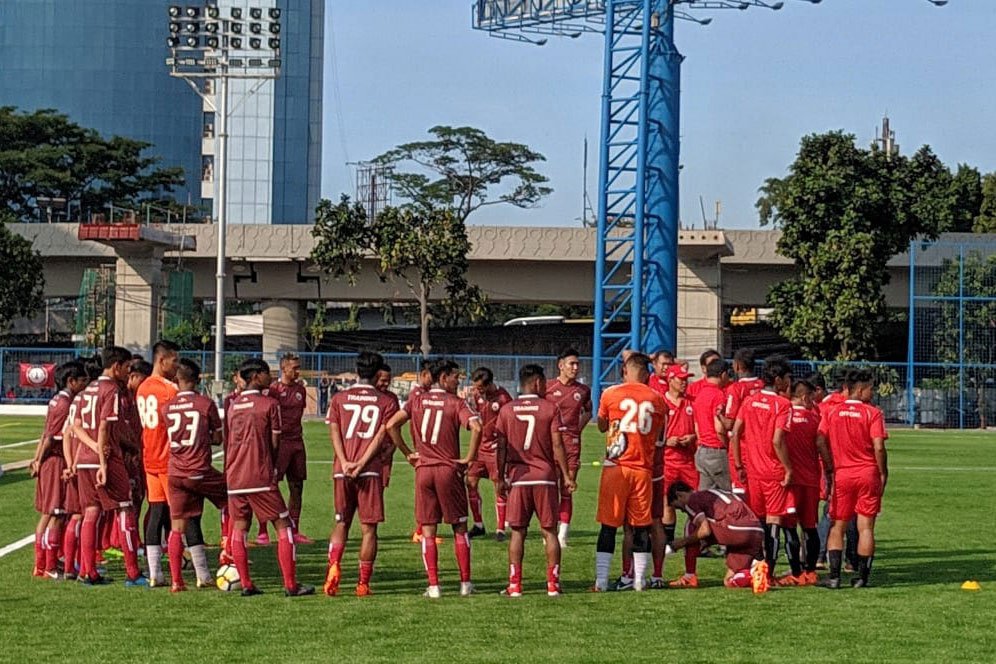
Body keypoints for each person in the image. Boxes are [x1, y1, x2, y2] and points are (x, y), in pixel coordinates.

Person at [386, 359, 482, 598]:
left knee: (428, 530)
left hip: (424, 470)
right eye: (455, 377)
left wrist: (408, 453)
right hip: (448, 469)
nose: (458, 381)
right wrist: (469, 457)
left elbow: (390, 425)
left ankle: (433, 586)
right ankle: (465, 583)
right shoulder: (455, 402)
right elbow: (477, 427)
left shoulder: (416, 400)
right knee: (459, 527)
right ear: (443, 378)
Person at [225, 358, 314, 597]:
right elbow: (275, 442)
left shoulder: (233, 405)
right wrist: (271, 466)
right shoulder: (269, 404)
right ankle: (290, 585)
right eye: (266, 374)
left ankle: (246, 584)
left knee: (240, 528)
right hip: (259, 475)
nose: (270, 378)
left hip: (234, 477)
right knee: (283, 526)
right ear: (256, 376)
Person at [324, 352, 407, 597]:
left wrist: (346, 461)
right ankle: (362, 584)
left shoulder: (339, 398)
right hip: (369, 470)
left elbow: (335, 433)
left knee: (341, 522)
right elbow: (381, 436)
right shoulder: (386, 402)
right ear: (377, 372)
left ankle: (334, 566)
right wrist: (360, 464)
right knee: (368, 529)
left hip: (342, 469)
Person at [495, 364, 575, 597]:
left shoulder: (507, 410)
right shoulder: (550, 408)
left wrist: (500, 477)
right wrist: (566, 475)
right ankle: (552, 584)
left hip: (519, 478)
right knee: (549, 531)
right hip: (545, 477)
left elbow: (500, 446)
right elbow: (558, 444)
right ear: (537, 383)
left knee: (518, 533)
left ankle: (515, 585)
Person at [592, 353, 666, 593]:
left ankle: (601, 581)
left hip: (617, 466)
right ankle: (639, 581)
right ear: (646, 374)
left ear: (625, 370)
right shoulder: (657, 399)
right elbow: (658, 432)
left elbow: (602, 424)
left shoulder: (610, 394)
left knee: (609, 525)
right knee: (641, 526)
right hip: (643, 468)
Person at [72, 346, 146, 586]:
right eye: (126, 368)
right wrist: (103, 460)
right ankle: (133, 572)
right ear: (116, 366)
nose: (127, 373)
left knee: (91, 512)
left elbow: (76, 426)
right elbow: (104, 427)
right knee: (125, 508)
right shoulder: (111, 389)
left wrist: (92, 448)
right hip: (107, 459)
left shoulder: (87, 390)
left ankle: (87, 570)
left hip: (84, 458)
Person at [817, 369, 888, 589]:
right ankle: (862, 578)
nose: (872, 393)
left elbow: (819, 440)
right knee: (865, 527)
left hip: (842, 473)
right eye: (870, 388)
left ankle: (835, 577)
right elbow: (878, 445)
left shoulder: (832, 412)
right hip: (867, 473)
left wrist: (829, 467)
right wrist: (882, 470)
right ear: (859, 389)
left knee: (838, 526)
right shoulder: (872, 413)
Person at [161, 359, 227, 592]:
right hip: (199, 470)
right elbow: (218, 439)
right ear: (198, 380)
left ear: (176, 380)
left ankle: (180, 580)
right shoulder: (205, 404)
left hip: (175, 472)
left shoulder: (167, 407)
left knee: (177, 526)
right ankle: (229, 554)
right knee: (233, 500)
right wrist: (204, 439)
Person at [730, 354, 794, 583]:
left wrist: (739, 463)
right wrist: (788, 468)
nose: (790, 382)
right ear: (777, 379)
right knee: (774, 522)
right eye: (787, 377)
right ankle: (769, 573)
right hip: (774, 472)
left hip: (753, 471)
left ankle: (756, 566)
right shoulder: (783, 405)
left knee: (758, 521)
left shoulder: (750, 401)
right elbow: (778, 440)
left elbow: (735, 433)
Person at [29, 361, 87, 579]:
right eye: (82, 380)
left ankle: (44, 564)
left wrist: (36, 459)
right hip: (55, 461)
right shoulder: (65, 403)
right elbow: (52, 437)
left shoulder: (57, 400)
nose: (85, 384)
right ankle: (47, 565)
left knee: (51, 513)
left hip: (50, 461)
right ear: (71, 381)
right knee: (56, 513)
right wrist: (39, 460)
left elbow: (45, 433)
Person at [666, 481, 769, 594]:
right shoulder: (712, 493)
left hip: (735, 529)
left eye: (678, 506)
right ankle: (753, 575)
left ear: (680, 494)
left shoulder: (693, 499)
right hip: (756, 531)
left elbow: (705, 531)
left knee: (691, 526)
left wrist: (680, 543)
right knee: (729, 581)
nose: (682, 510)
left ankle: (689, 576)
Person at [134, 341, 180, 586]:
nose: (177, 366)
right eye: (175, 361)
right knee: (177, 514)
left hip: (149, 457)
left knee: (156, 511)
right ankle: (177, 570)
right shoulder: (169, 390)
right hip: (168, 458)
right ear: (162, 361)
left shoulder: (141, 388)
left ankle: (154, 572)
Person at [259, 352, 312, 545]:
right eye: (294, 367)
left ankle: (294, 528)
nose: (298, 371)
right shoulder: (273, 390)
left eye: (298, 367)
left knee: (297, 486)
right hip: (279, 444)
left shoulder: (301, 390)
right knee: (270, 485)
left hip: (297, 442)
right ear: (284, 368)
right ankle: (263, 530)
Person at [544, 348, 592, 549]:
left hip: (571, 446)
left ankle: (563, 534)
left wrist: (576, 431)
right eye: (571, 363)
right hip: (548, 445)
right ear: (560, 365)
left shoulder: (582, 390)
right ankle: (549, 530)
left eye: (577, 364)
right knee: (548, 489)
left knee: (567, 487)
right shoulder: (547, 388)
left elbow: (589, 411)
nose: (575, 367)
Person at [60, 356, 102, 580]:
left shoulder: (78, 400)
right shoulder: (93, 398)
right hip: (87, 459)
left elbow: (68, 433)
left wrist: (70, 463)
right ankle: (85, 567)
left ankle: (71, 566)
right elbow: (73, 432)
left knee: (78, 515)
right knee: (86, 514)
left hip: (78, 460)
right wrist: (73, 462)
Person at [658, 365, 700, 588]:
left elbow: (699, 431)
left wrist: (690, 437)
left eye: (686, 379)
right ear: (670, 379)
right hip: (668, 461)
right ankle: (668, 543)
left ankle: (691, 542)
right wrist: (668, 441)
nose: (684, 382)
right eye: (681, 379)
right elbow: (654, 432)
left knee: (693, 506)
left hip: (688, 462)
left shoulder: (691, 402)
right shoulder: (661, 402)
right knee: (666, 503)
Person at [781, 379, 822, 585]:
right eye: (812, 398)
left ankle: (795, 572)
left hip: (791, 481)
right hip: (812, 480)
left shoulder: (784, 416)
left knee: (788, 527)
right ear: (805, 396)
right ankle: (811, 571)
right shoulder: (815, 419)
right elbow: (821, 445)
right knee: (810, 527)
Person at [466, 366, 513, 541]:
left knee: (499, 485)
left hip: (495, 449)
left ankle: (500, 529)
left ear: (489, 384)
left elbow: (510, 423)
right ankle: (478, 525)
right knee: (470, 482)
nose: (477, 391)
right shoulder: (478, 396)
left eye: (479, 388)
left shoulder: (503, 398)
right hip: (480, 448)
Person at [724, 348, 764, 497]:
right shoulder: (762, 386)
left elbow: (729, 424)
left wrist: (719, 415)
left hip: (740, 447)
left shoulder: (736, 389)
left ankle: (744, 520)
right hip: (760, 446)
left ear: (737, 365)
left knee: (740, 491)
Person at [692, 359, 733, 491]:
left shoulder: (700, 395)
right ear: (723, 374)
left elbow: (697, 425)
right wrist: (726, 447)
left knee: (705, 496)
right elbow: (719, 428)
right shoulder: (718, 395)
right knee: (728, 494)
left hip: (701, 450)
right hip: (716, 450)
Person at [373, 363, 402, 489]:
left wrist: (393, 448)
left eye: (388, 381)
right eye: (383, 380)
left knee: (379, 489)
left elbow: (397, 426)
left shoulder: (392, 398)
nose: (386, 384)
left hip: (385, 451)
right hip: (366, 448)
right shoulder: (367, 396)